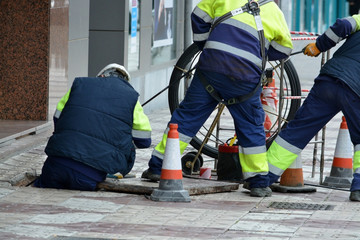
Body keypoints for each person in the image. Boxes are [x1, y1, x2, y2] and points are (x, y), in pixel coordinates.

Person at [142, 0, 293, 197]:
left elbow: (198, 15)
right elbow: (284, 49)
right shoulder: (274, 11)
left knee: (187, 117)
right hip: (245, 77)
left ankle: (157, 167)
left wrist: (205, 44)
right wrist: (259, 53)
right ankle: (257, 182)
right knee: (251, 126)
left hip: (210, 69)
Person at [266, 14, 360, 201]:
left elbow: (343, 25)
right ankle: (358, 188)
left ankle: (262, 178)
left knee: (297, 130)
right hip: (356, 91)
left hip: (330, 80)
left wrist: (319, 46)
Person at [34, 63, 152, 191]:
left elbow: (58, 119)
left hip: (54, 165)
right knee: (127, 144)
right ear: (125, 83)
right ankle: (115, 172)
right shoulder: (131, 97)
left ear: (101, 76)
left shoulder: (79, 85)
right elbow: (144, 141)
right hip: (89, 175)